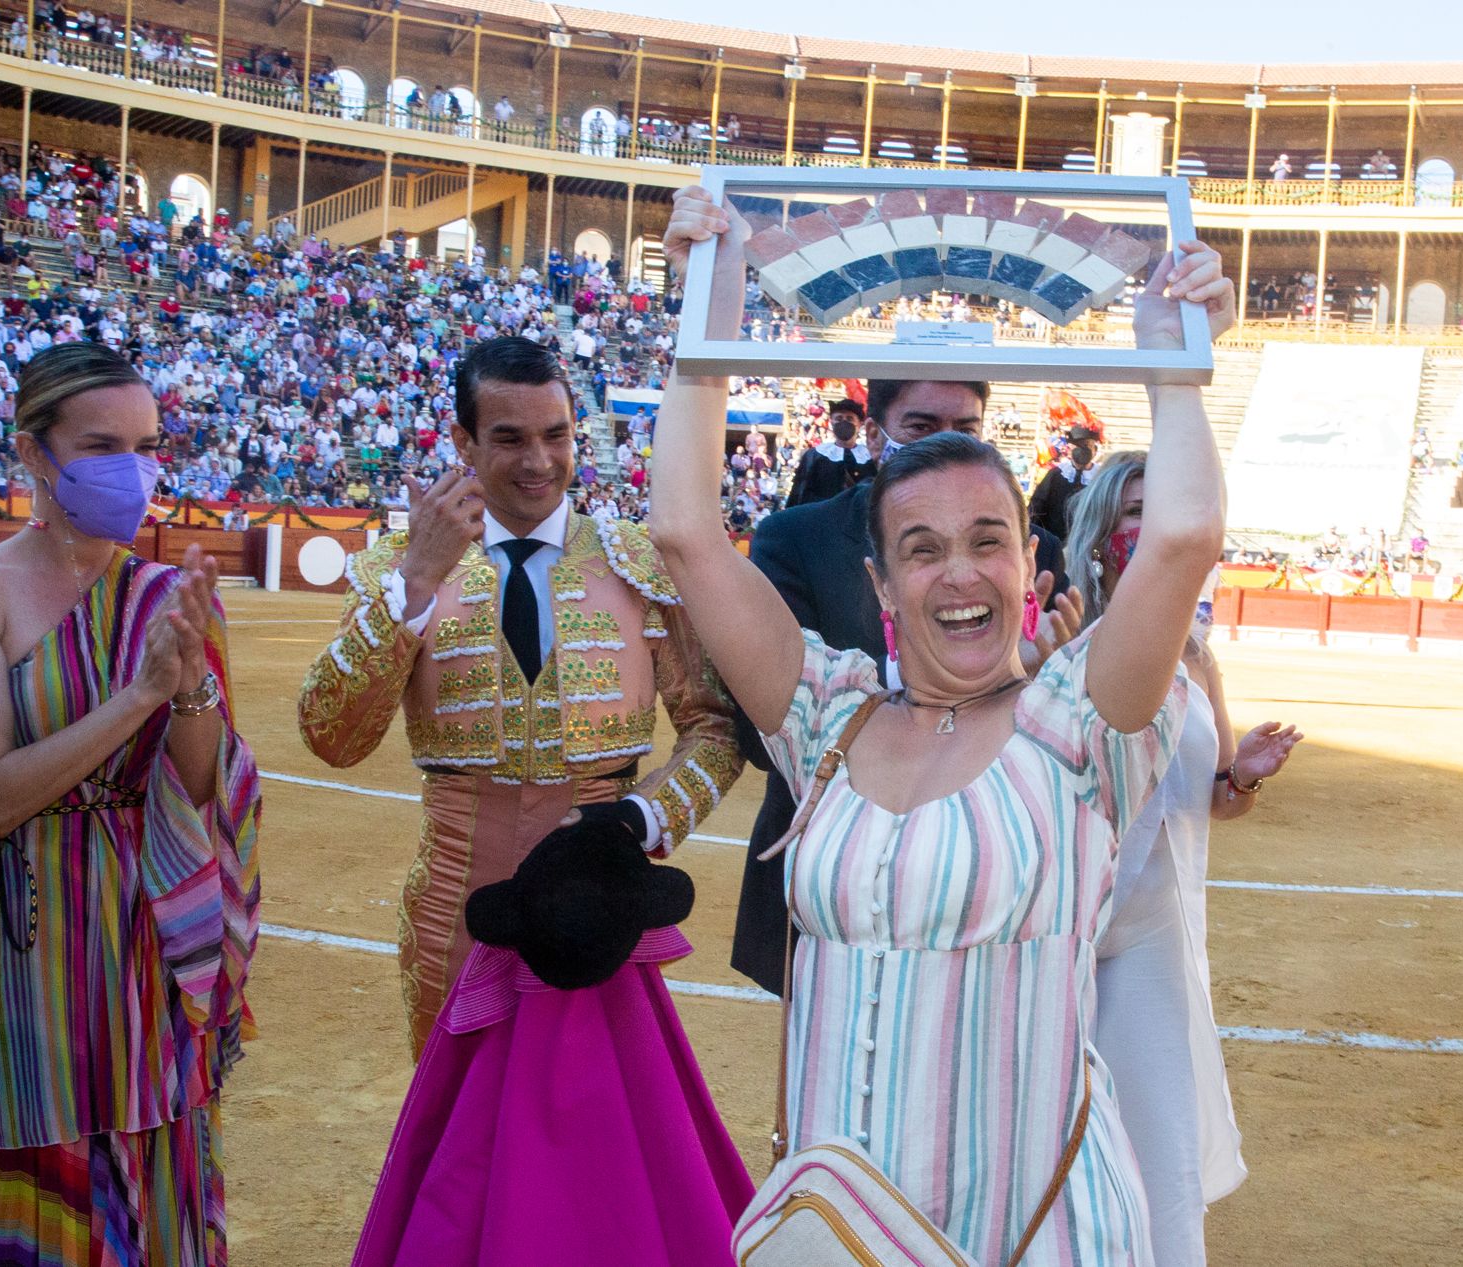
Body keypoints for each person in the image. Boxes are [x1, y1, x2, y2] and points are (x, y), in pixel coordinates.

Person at [653, 184, 1235, 1264]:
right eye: (921, 549)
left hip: (1037, 1235)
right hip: (837, 1242)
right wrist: (709, 309)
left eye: (986, 540)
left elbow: (1187, 530)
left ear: (1030, 564)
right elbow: (684, 531)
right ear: (881, 583)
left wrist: (1172, 352)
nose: (957, 573)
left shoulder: (1079, 729)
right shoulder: (824, 715)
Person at [319, 336, 752, 1265]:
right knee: (461, 1165)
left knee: (597, 1156)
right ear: (463, 441)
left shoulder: (638, 561)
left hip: (600, 906)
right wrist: (418, 581)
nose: (538, 462)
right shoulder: (402, 565)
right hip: (454, 915)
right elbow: (333, 734)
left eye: (556, 435)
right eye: (509, 438)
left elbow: (715, 730)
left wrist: (638, 822)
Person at [0, 342, 262, 1264]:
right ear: (32, 452)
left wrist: (192, 685)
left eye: (149, 443)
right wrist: (137, 695)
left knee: (148, 1148)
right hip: (23, 931)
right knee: (22, 1140)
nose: (132, 470)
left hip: (141, 931)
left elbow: (202, 786)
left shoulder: (167, 594)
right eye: (102, 445)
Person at [726, 373, 1077, 996]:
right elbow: (760, 735)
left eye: (964, 429)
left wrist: (1016, 677)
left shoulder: (1038, 547)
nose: (940, 443)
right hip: (833, 872)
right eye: (920, 426)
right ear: (874, 432)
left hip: (994, 877)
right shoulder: (793, 537)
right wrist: (958, 677)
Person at [1065, 452, 1302, 1264]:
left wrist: (1245, 777)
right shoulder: (1065, 640)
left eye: (1158, 507)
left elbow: (1214, 796)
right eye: (1133, 511)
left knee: (1160, 1140)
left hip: (1165, 933)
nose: (1149, 524)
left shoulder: (1197, 652)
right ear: (1100, 536)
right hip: (1075, 930)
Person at [783, 397, 874, 508]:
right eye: (839, 418)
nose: (844, 422)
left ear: (859, 424)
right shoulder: (815, 455)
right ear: (831, 422)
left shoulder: (871, 457)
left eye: (850, 419)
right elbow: (801, 493)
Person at [1028, 423, 1097, 538]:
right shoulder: (1056, 474)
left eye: (1087, 445)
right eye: (1078, 445)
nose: (1083, 449)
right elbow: (1037, 507)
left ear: (1094, 450)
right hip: (1055, 540)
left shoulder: (1101, 477)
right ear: (1070, 448)